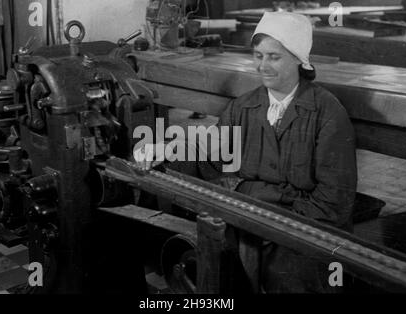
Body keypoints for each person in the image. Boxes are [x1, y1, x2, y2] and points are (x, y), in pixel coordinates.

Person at [135, 11, 357, 293]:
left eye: (274, 57)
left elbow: (333, 205)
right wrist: (166, 149)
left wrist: (260, 209)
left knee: (288, 276)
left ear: (299, 59)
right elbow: (212, 148)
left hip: (308, 232)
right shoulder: (244, 107)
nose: (263, 66)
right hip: (252, 220)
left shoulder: (327, 114)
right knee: (215, 266)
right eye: (258, 55)